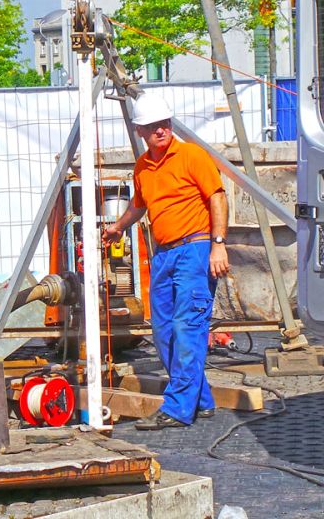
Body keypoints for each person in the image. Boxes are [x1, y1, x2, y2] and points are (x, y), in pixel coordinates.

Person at [102, 93, 230, 430]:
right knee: (162, 331)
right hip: (164, 254)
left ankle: (176, 409)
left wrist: (218, 245)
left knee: (187, 328)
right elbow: (139, 205)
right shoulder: (143, 166)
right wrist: (117, 227)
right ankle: (200, 400)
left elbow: (217, 196)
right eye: (153, 126)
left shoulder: (192, 155)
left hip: (196, 248)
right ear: (140, 130)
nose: (161, 130)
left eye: (165, 124)